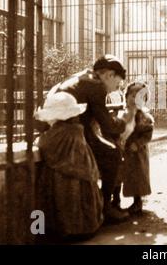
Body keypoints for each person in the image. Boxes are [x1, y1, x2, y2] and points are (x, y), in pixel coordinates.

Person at [51, 54, 134, 223]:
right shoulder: (96, 85)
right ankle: (106, 207)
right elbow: (107, 125)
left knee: (107, 148)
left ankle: (102, 203)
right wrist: (124, 121)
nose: (115, 89)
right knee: (112, 154)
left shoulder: (84, 77)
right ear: (108, 75)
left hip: (57, 128)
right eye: (117, 84)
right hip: (70, 132)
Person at [35, 92, 103, 240]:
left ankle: (64, 230)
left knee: (63, 198)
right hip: (82, 171)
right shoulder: (76, 130)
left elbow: (44, 145)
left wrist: (38, 140)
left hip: (62, 177)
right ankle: (86, 227)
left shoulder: (59, 133)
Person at [112, 82, 154, 215]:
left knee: (137, 177)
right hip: (121, 151)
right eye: (132, 95)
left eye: (140, 97)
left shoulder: (144, 118)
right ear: (126, 97)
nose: (135, 99)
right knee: (117, 175)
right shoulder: (122, 115)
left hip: (137, 153)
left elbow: (147, 134)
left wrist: (138, 143)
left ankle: (137, 202)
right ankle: (115, 200)